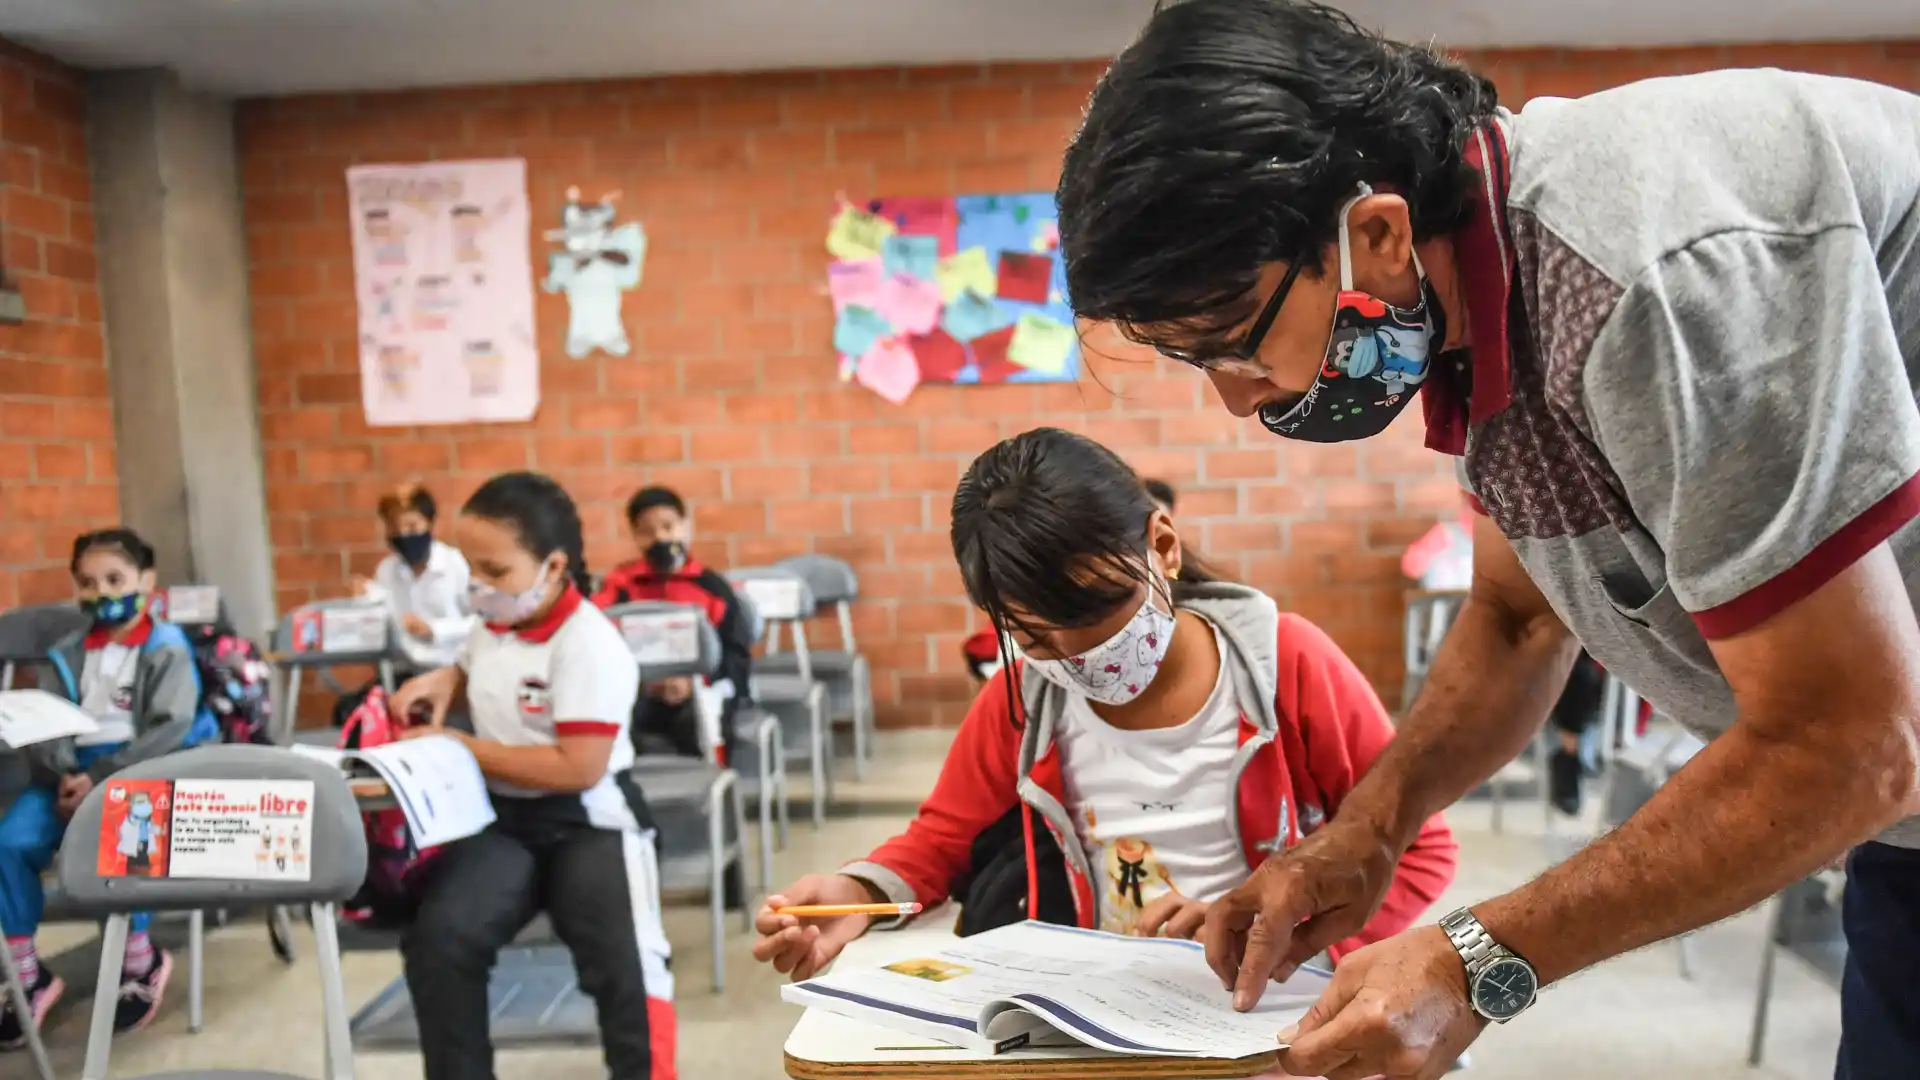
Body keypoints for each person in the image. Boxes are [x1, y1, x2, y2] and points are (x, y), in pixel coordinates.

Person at [1056, 3, 1920, 1076]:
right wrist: (1366, 831)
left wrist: (1478, 958)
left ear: (1370, 233)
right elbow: (1516, 620)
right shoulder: (1483, 312)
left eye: (1235, 342)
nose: (1238, 401)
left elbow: (1851, 743)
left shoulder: (1645, 268)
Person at [753, 428, 1455, 980]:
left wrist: (1287, 941)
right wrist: (858, 894)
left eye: (1097, 610)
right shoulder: (1025, 696)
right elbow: (943, 840)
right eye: (1031, 634)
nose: (1077, 654)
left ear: (1163, 546)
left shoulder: (1287, 667)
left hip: (1276, 1019)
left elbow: (1418, 847)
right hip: (1113, 1023)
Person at [390, 472, 675, 1080]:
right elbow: (477, 662)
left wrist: (459, 747)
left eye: (495, 571)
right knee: (440, 941)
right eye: (471, 568)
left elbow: (579, 766)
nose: (478, 586)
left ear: (553, 566)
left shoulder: (591, 643)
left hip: (590, 820)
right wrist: (445, 680)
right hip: (506, 821)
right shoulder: (493, 621)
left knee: (628, 968)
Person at [0, 529, 205, 1044]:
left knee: (123, 842)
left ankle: (141, 959)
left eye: (116, 579)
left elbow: (169, 727)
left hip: (137, 770)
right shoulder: (66, 650)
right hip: (66, 774)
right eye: (88, 583)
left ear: (147, 582)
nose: (102, 593)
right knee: (8, 842)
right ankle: (27, 973)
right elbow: (48, 720)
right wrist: (69, 772)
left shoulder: (167, 648)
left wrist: (100, 777)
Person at [592, 486, 754, 762]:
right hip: (639, 694)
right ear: (634, 536)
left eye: (668, 526)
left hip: (700, 693)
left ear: (686, 527)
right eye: (647, 531)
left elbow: (735, 655)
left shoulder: (712, 589)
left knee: (698, 724)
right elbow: (595, 640)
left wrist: (694, 683)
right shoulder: (620, 587)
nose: (660, 538)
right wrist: (644, 684)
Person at [356, 481, 472, 675]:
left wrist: (435, 629)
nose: (403, 534)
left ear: (430, 524)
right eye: (394, 528)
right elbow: (380, 627)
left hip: (453, 670)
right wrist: (365, 601)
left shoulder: (455, 564)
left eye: (412, 526)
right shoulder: (386, 570)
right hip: (404, 672)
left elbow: (481, 622)